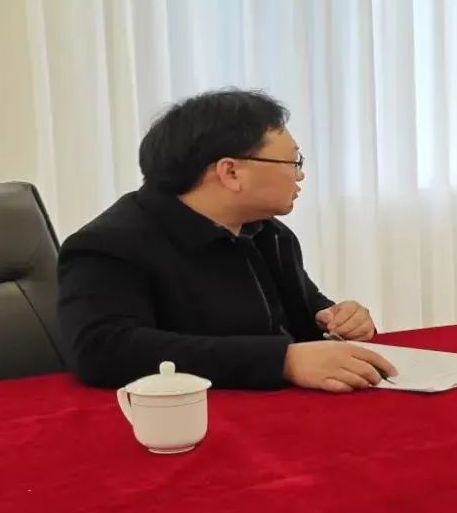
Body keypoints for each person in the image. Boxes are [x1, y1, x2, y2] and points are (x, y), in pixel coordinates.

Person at [58, 89, 396, 392]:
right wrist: (282, 361)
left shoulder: (268, 233)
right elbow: (103, 350)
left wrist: (342, 320)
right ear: (230, 172)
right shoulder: (108, 246)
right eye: (294, 161)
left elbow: (305, 316)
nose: (300, 174)